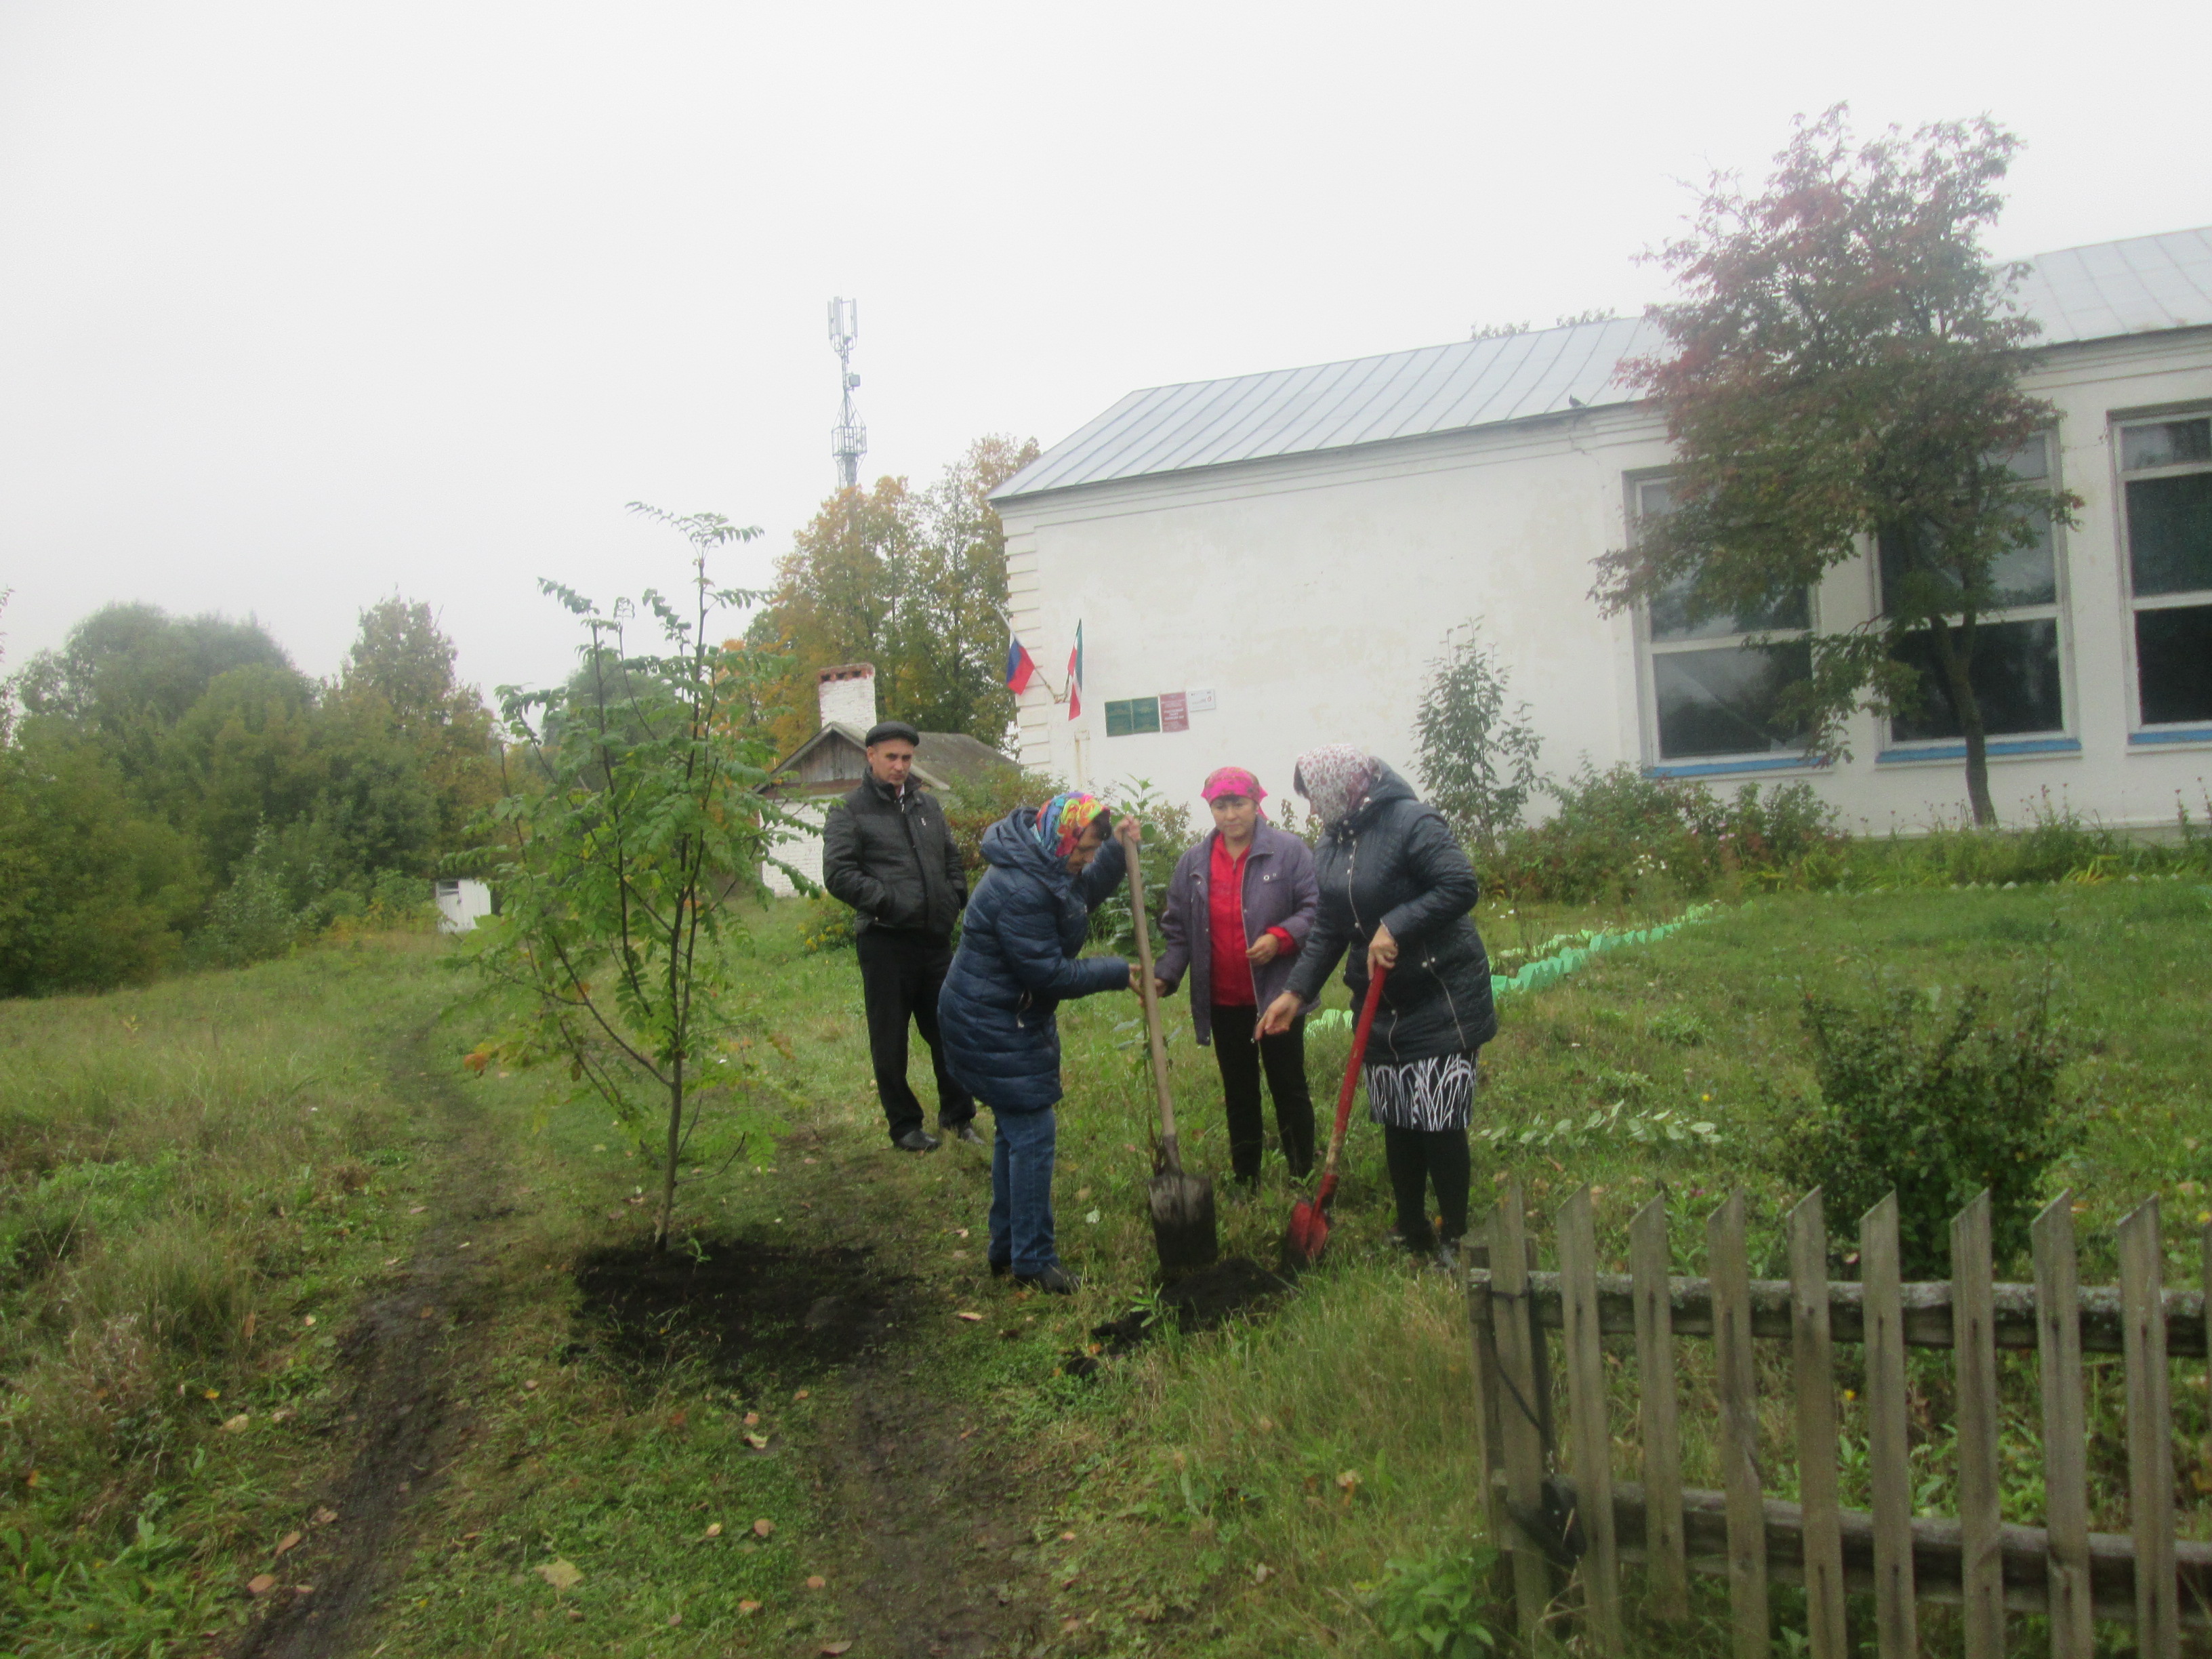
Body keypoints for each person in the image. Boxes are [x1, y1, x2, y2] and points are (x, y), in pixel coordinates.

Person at [1260, 747, 1496, 1265]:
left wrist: (1397, 925)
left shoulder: (1412, 821)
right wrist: (1293, 993)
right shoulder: (1332, 840)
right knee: (1399, 1117)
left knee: (1438, 1117)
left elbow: (1460, 884)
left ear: (1343, 788)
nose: (1313, 812)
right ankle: (1410, 1224)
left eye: (1316, 800)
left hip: (1440, 992)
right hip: (1381, 1001)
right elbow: (1328, 927)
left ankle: (1454, 1232)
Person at [936, 794, 1142, 1293]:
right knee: (1031, 1134)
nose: (1085, 860)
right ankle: (1032, 1261)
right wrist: (1119, 971)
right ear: (1060, 837)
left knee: (1015, 1131)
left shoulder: (1045, 862)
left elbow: (1081, 893)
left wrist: (1115, 849)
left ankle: (1006, 1247)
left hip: (1006, 1016)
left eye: (1092, 850)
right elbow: (1048, 973)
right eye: (1084, 850)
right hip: (993, 1024)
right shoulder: (1021, 888)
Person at [1153, 766, 1319, 1185]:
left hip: (1277, 997)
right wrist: (1166, 975)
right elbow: (1177, 928)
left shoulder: (1289, 852)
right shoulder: (1194, 862)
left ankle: (1302, 1174)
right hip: (1224, 1000)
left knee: (1288, 1085)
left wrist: (1281, 938)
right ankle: (1246, 1177)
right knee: (1239, 1092)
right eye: (1220, 806)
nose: (1230, 815)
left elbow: (1317, 911)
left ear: (1256, 802)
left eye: (1238, 804)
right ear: (1211, 808)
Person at [821, 720, 980, 1153]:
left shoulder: (928, 807)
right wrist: (890, 902)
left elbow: (951, 859)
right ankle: (905, 1127)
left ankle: (959, 1117)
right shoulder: (849, 811)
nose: (900, 766)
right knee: (890, 1040)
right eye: (891, 757)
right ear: (870, 755)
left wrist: (954, 898)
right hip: (885, 942)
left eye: (907, 758)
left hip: (934, 943)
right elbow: (838, 874)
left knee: (951, 1029)